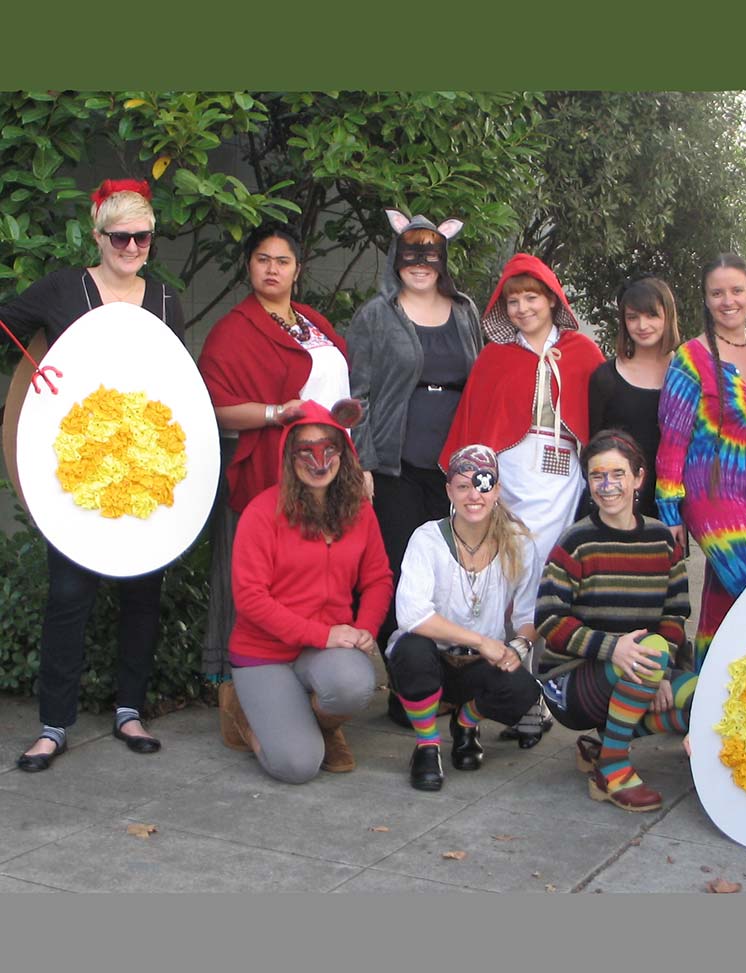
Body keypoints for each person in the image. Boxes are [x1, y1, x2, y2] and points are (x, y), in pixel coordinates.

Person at [0, 178, 185, 770]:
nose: (131, 248)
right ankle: (53, 726)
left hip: (145, 465)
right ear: (99, 236)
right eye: (120, 237)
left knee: (142, 594)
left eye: (143, 238)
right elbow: (7, 323)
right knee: (69, 596)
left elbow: (175, 380)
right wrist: (38, 376)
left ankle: (129, 712)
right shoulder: (63, 288)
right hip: (75, 468)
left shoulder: (164, 300)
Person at [440, 252, 605, 746]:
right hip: (507, 471)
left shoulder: (582, 351)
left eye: (531, 297)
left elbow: (600, 419)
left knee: (543, 579)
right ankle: (503, 695)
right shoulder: (495, 357)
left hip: (562, 476)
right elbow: (476, 422)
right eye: (513, 301)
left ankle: (528, 698)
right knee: (502, 577)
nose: (523, 308)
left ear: (552, 300)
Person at [197, 222, 350, 681]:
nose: (272, 269)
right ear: (249, 266)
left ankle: (312, 679)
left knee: (316, 579)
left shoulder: (312, 322)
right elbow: (212, 406)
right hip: (268, 469)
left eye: (283, 261)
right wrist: (273, 413)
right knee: (262, 581)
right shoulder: (233, 331)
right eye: (263, 259)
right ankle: (248, 681)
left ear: (297, 269)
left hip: (326, 472)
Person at [226, 399, 393, 784]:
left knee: (353, 684)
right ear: (289, 456)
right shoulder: (262, 512)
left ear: (343, 452)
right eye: (306, 449)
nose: (319, 461)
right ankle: (242, 715)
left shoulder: (359, 511)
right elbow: (250, 598)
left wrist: (365, 628)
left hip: (322, 652)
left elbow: (378, 578)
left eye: (328, 447)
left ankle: (317, 725)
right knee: (297, 766)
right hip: (264, 654)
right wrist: (324, 634)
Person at [535, 430, 694, 812]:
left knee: (703, 699)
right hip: (570, 683)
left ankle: (603, 748)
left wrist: (659, 672)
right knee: (647, 652)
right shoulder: (576, 541)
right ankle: (612, 771)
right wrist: (614, 650)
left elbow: (675, 615)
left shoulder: (662, 540)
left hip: (642, 668)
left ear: (638, 478)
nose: (607, 486)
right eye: (597, 476)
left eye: (618, 474)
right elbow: (548, 619)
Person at [346, 209, 481, 655]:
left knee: (451, 564)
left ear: (444, 258)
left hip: (455, 470)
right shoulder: (376, 315)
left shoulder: (465, 311)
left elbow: (480, 382)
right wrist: (363, 462)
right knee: (399, 563)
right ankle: (399, 662)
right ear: (395, 256)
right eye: (411, 255)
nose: (420, 265)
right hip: (396, 466)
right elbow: (357, 393)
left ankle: (446, 662)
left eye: (430, 255)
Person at [386, 444, 542, 791]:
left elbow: (528, 614)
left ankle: (466, 723)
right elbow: (412, 615)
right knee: (411, 650)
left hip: (477, 665)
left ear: (497, 490)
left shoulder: (518, 543)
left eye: (484, 485)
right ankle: (427, 746)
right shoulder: (427, 539)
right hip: (434, 658)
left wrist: (518, 646)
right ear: (449, 491)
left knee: (524, 690)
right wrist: (482, 641)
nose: (474, 495)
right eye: (463, 485)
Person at [655, 253, 746, 671]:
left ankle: (707, 688)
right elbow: (673, 439)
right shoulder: (691, 357)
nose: (728, 301)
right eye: (717, 293)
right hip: (710, 495)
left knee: (723, 599)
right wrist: (670, 512)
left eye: (737, 290)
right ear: (706, 300)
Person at [588, 276, 680, 519]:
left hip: (670, 508)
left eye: (652, 315)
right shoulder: (605, 378)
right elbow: (592, 448)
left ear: (668, 316)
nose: (642, 325)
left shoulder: (687, 374)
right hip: (613, 505)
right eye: (632, 317)